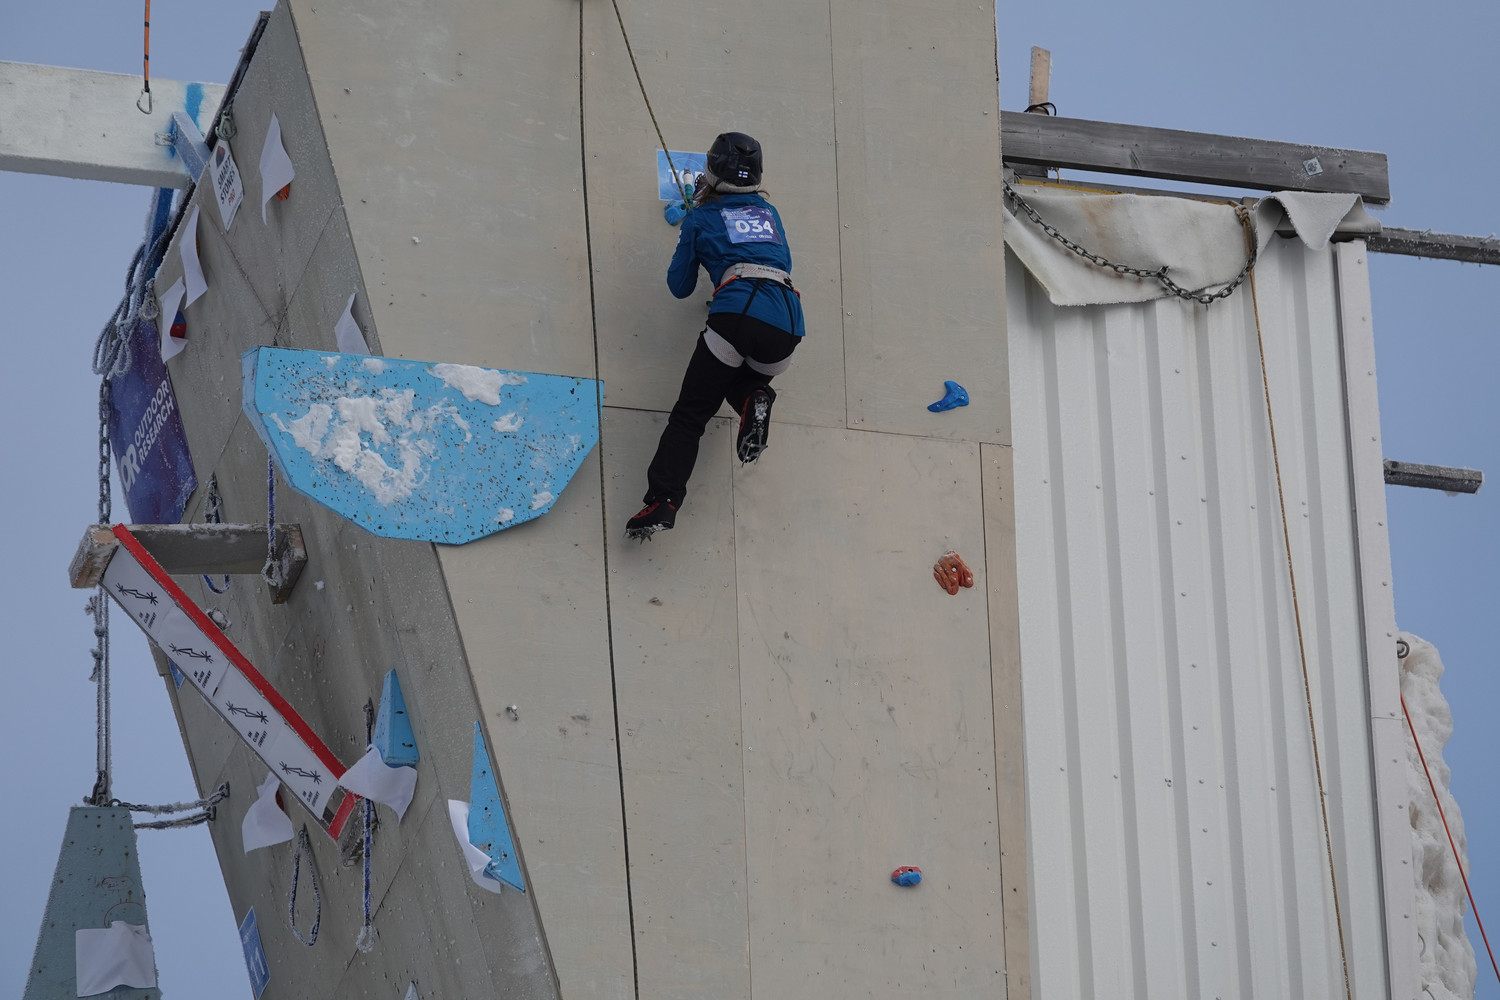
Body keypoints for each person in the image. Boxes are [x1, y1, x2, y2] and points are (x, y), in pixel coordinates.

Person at [625, 132, 806, 540]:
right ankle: (755, 396)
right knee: (738, 382)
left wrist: (695, 224)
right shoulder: (769, 213)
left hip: (739, 312)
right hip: (788, 321)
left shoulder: (700, 216)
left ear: (710, 171)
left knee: (691, 414)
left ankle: (662, 500)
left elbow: (679, 287)